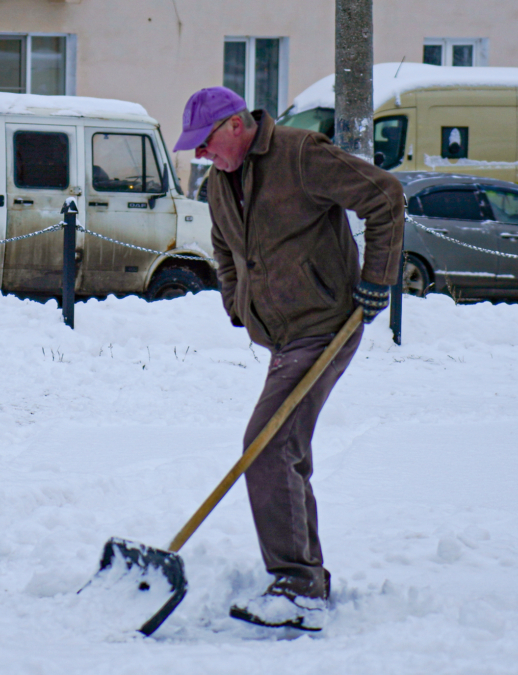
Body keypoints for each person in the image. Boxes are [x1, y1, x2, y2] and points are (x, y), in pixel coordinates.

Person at [172, 87, 404, 630]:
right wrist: (238, 304)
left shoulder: (301, 154)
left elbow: (384, 195)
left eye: (204, 145)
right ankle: (305, 576)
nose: (201, 158)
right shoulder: (220, 184)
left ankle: (299, 586)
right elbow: (224, 249)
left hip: (325, 326)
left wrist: (377, 281)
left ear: (235, 125)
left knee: (268, 443)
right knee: (282, 446)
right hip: (283, 336)